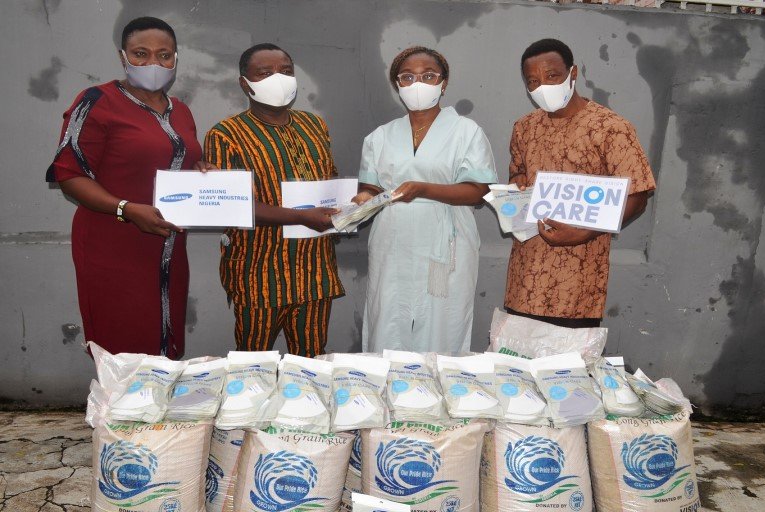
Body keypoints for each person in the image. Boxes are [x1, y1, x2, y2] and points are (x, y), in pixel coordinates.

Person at [46, 17, 210, 358]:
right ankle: (118, 410)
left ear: (176, 59)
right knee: (123, 344)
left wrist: (202, 172)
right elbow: (69, 174)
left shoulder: (180, 111)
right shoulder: (96, 101)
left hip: (167, 247)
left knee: (165, 340)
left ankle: (154, 409)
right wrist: (126, 209)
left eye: (164, 55)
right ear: (123, 57)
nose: (154, 63)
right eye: (141, 54)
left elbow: (174, 162)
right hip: (114, 241)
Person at [352, 46, 497, 353]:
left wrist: (425, 189)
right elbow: (371, 188)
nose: (418, 83)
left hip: (444, 243)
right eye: (407, 77)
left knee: (442, 319)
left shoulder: (466, 132)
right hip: (393, 240)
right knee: (388, 316)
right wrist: (361, 199)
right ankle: (388, 389)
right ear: (398, 86)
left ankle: (438, 392)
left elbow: (479, 190)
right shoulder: (380, 136)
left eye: (428, 76)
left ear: (443, 83)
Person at [204, 43, 344, 357]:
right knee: (253, 364)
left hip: (314, 269)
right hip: (260, 274)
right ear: (245, 83)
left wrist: (350, 206)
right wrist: (303, 217)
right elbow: (232, 206)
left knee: (311, 363)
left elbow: (329, 180)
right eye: (265, 73)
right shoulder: (226, 134)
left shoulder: (314, 125)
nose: (277, 79)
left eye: (285, 71)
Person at [506, 38, 657, 327]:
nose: (543, 87)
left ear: (572, 74)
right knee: (516, 365)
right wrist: (519, 183)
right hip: (524, 276)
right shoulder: (524, 127)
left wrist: (585, 233)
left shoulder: (611, 128)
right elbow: (518, 176)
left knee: (566, 370)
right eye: (533, 81)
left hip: (577, 283)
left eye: (552, 76)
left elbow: (637, 195)